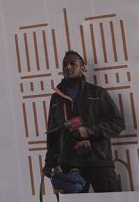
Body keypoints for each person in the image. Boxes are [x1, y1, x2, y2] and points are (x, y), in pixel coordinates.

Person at [43, 50, 123, 193]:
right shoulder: (56, 98)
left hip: (99, 162)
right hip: (69, 166)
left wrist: (89, 131)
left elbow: (118, 123)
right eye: (65, 64)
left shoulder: (98, 94)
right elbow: (53, 135)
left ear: (83, 67)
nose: (68, 67)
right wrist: (49, 163)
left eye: (73, 64)